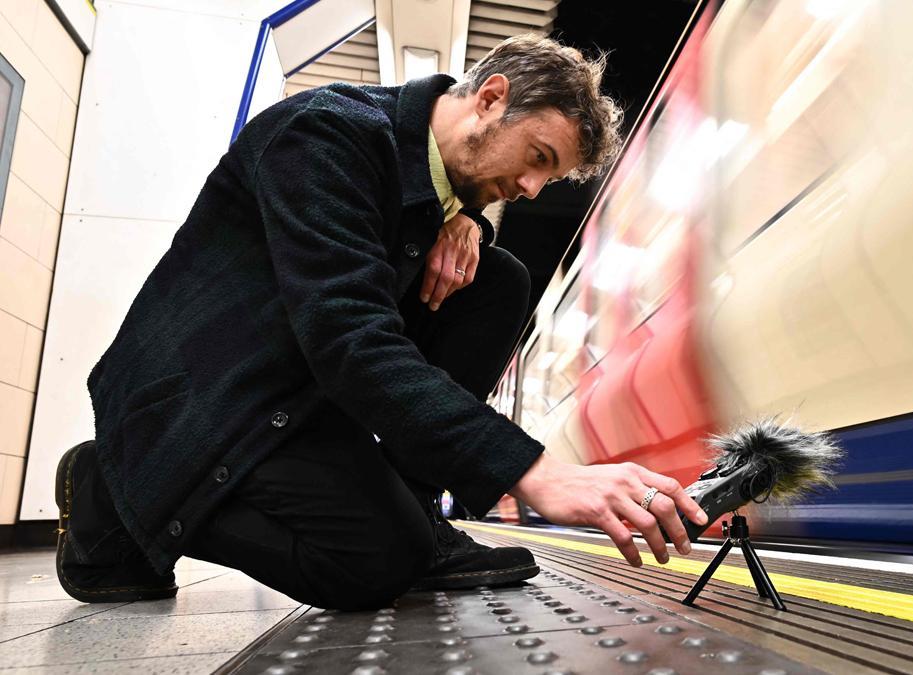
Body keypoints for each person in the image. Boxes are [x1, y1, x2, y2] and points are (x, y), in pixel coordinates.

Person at [54, 35, 707, 611]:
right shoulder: (323, 135)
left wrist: (465, 219)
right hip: (204, 399)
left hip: (287, 391)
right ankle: (112, 483)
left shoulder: (424, 177)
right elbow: (351, 339)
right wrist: (537, 473)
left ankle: (417, 514)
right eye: (537, 156)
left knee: (498, 281)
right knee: (374, 565)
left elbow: (391, 219)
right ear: (491, 99)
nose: (533, 189)